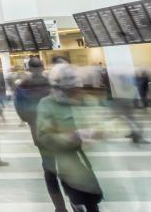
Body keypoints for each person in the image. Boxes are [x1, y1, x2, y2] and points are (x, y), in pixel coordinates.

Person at [37, 63, 104, 212]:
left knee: (92, 200)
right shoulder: (47, 104)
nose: (75, 90)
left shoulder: (82, 100)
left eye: (75, 86)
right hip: (65, 160)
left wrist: (97, 131)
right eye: (70, 88)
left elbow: (95, 121)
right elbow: (44, 136)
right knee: (79, 198)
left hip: (85, 160)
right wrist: (71, 137)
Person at [15, 57, 68, 212]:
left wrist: (31, 119)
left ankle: (60, 208)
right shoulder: (53, 83)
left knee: (50, 170)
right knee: (68, 167)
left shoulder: (23, 85)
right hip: (60, 129)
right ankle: (76, 203)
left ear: (28, 68)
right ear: (43, 67)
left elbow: (21, 110)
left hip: (40, 132)